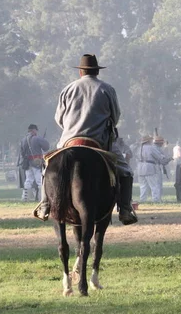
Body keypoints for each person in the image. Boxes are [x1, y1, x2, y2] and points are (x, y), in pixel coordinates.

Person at [34, 54, 138, 225]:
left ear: (80, 72)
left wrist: (72, 128)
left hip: (69, 141)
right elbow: (115, 116)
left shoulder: (68, 89)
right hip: (100, 142)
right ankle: (125, 209)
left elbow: (59, 118)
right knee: (126, 171)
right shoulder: (107, 89)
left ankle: (45, 204)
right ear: (97, 71)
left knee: (47, 167)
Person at [19, 124, 50, 202]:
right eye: (36, 130)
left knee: (28, 180)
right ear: (34, 130)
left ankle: (25, 198)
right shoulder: (37, 138)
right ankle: (41, 198)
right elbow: (46, 147)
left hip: (27, 163)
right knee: (39, 180)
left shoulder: (23, 140)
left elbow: (22, 152)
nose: (36, 132)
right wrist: (43, 140)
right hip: (36, 162)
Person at [137, 135, 172, 202]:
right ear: (148, 141)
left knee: (143, 186)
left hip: (140, 168)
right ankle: (156, 199)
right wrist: (167, 159)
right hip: (149, 167)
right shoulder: (151, 148)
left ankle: (142, 200)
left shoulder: (139, 148)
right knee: (154, 185)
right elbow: (159, 157)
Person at [153, 136, 169, 200]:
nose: (162, 144)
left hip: (157, 166)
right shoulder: (156, 149)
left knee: (158, 183)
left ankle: (158, 198)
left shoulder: (157, 148)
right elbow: (161, 158)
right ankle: (157, 198)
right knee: (157, 184)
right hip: (156, 166)